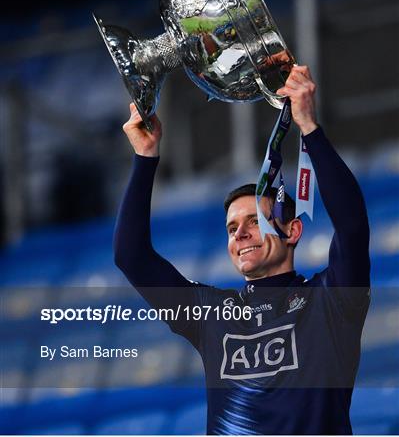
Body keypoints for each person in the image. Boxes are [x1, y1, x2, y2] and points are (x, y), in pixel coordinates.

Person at [114, 65, 370, 435]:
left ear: (292, 230)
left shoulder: (331, 301)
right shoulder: (210, 315)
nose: (241, 235)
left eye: (255, 221)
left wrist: (309, 129)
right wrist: (145, 156)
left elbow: (352, 225)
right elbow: (131, 257)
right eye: (232, 228)